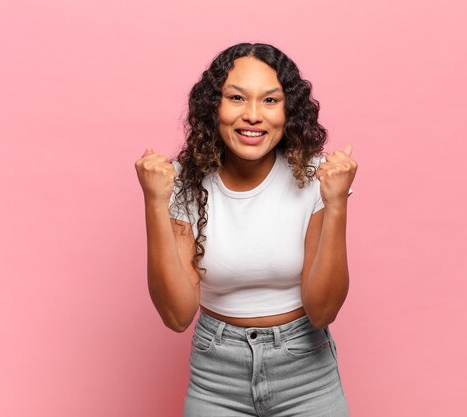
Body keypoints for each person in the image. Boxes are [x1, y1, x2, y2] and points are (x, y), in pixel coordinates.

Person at [135, 42, 357, 416]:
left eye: (270, 101)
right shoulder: (184, 184)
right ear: (214, 107)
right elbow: (176, 317)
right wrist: (155, 202)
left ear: (289, 112)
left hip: (306, 374)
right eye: (237, 97)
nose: (253, 115)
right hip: (216, 377)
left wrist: (336, 204)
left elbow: (323, 311)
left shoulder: (317, 177)